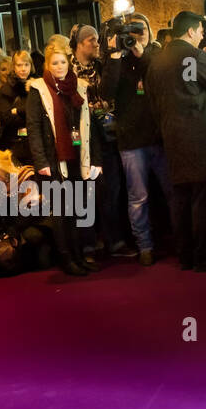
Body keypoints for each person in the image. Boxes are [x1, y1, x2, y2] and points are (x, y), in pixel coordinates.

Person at [146, 10, 206, 271]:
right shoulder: (192, 56)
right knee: (203, 200)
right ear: (191, 31)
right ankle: (204, 256)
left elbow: (152, 102)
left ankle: (185, 254)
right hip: (200, 137)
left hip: (172, 137)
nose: (202, 36)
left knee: (181, 199)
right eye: (200, 32)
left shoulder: (157, 61)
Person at [26, 42, 103, 276]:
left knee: (77, 209)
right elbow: (34, 128)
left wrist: (95, 160)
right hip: (53, 160)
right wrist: (41, 163)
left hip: (78, 156)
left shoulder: (78, 87)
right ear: (47, 66)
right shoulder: (37, 90)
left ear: (68, 63)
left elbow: (91, 127)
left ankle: (79, 255)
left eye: (62, 62)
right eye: (54, 63)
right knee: (61, 212)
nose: (59, 67)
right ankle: (66, 258)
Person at [101, 13, 169, 266]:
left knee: (171, 191)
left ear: (150, 31)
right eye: (133, 33)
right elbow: (106, 92)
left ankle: (182, 238)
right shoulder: (118, 59)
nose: (138, 37)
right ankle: (145, 246)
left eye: (142, 31)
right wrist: (115, 56)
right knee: (138, 196)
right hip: (130, 139)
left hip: (158, 134)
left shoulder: (157, 56)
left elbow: (164, 83)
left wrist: (144, 55)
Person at [71, 24, 134, 259]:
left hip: (106, 136)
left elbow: (108, 92)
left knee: (111, 190)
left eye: (98, 39)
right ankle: (87, 245)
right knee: (84, 192)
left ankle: (115, 241)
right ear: (79, 43)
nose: (97, 44)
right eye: (91, 40)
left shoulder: (101, 66)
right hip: (81, 139)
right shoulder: (67, 68)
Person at [0, 50, 32, 163]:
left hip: (34, 143)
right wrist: (26, 112)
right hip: (14, 144)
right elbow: (5, 118)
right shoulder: (6, 89)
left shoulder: (35, 84)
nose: (23, 68)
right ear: (14, 67)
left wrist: (17, 110)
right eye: (19, 65)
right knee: (16, 179)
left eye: (26, 64)